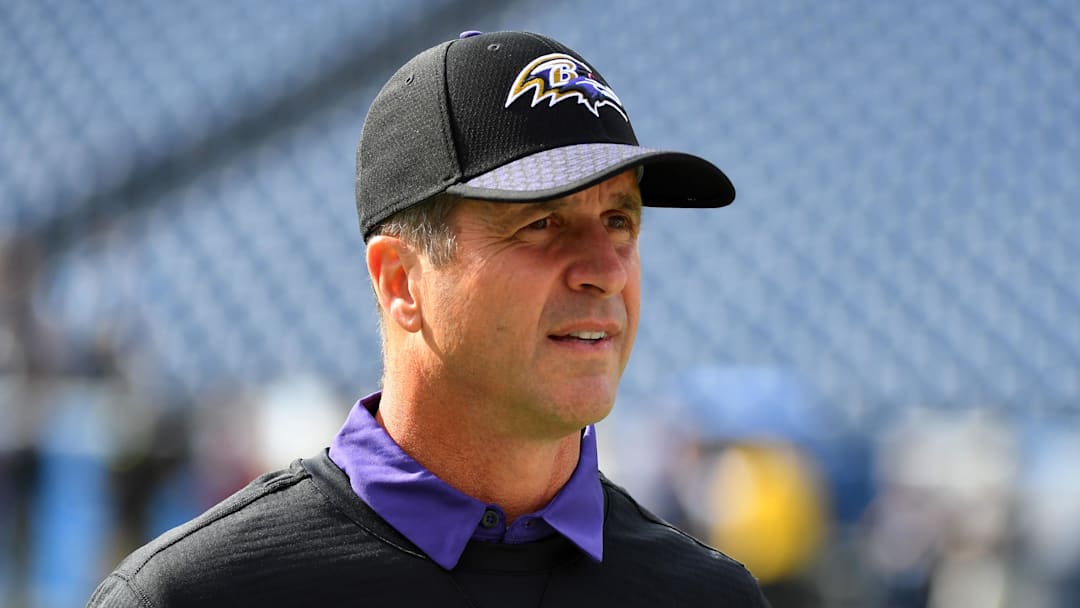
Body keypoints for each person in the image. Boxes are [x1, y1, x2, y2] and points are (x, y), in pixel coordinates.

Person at [87, 30, 769, 607]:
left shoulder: (710, 596)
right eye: (543, 222)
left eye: (619, 220)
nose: (607, 269)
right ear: (400, 281)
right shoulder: (190, 597)